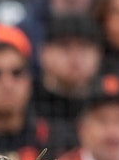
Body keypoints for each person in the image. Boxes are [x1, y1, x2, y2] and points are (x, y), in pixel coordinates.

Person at [32, 16, 104, 144]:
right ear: (43, 53)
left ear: (98, 54)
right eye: (64, 46)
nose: (75, 56)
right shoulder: (26, 102)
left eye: (84, 46)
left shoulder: (107, 103)